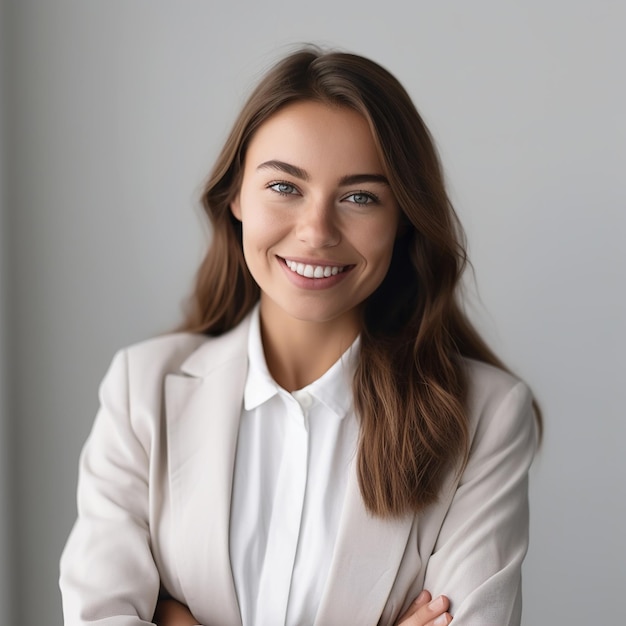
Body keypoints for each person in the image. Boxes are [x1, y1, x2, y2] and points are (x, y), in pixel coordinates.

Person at [59, 47, 541, 626]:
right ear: (236, 195)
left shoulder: (485, 415)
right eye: (285, 187)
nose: (316, 232)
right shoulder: (142, 389)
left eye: (360, 197)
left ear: (403, 219)